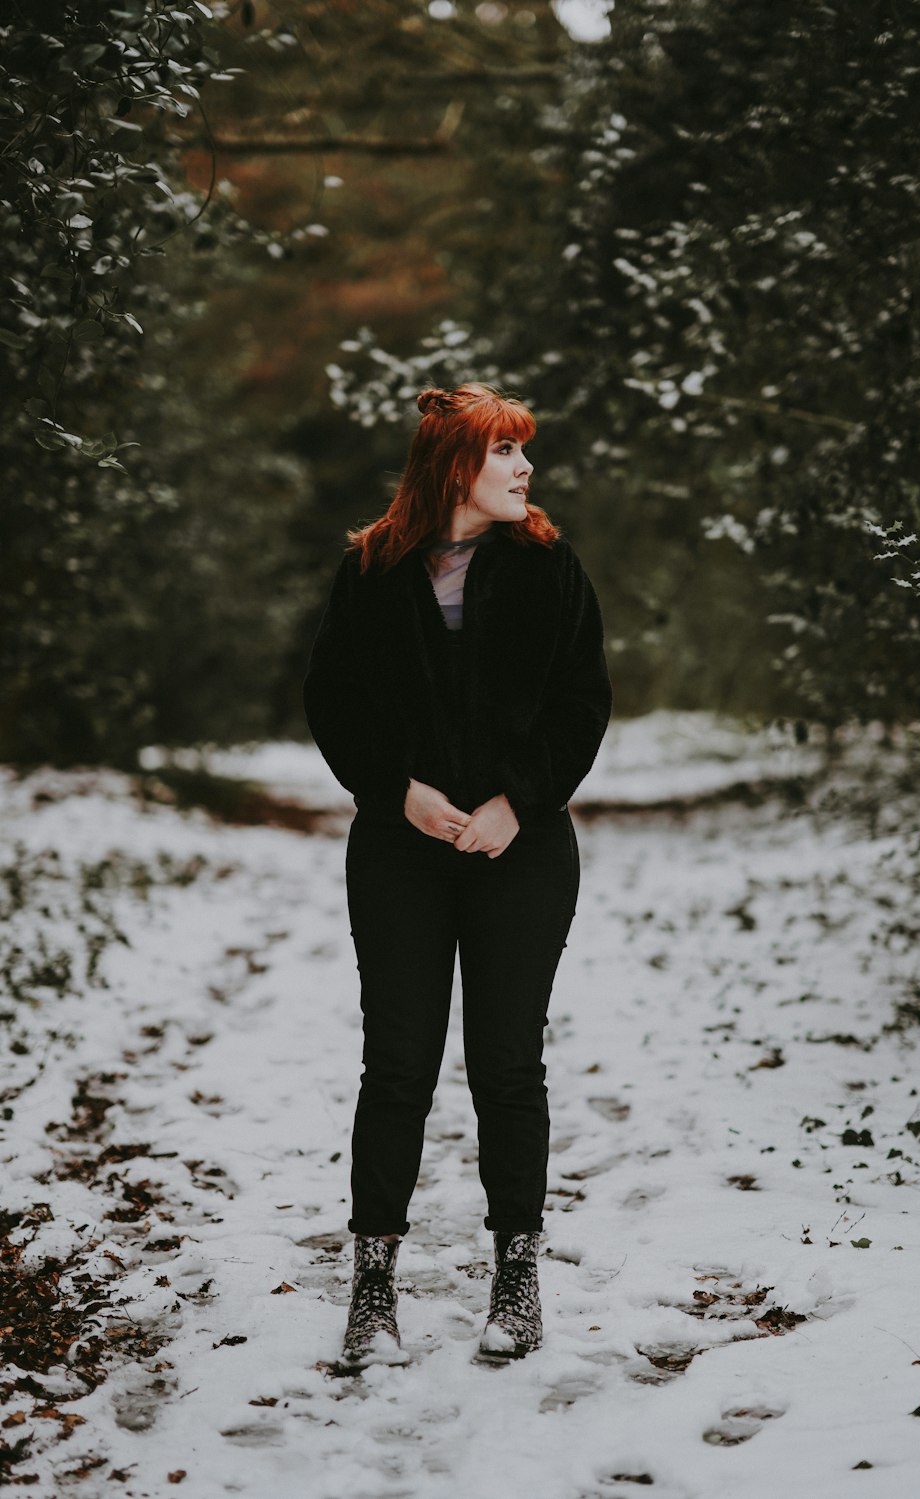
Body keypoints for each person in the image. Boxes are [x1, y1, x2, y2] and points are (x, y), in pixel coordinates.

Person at [302, 382, 612, 1367]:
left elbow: (583, 700)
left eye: (524, 452)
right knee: (397, 1065)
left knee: (508, 1063)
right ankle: (373, 1288)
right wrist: (394, 790)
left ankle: (516, 1280)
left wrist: (516, 800)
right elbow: (332, 699)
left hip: (523, 849)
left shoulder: (549, 565)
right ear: (454, 469)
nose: (525, 470)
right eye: (506, 453)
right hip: (399, 852)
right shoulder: (371, 569)